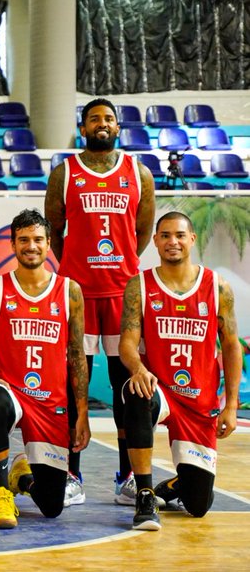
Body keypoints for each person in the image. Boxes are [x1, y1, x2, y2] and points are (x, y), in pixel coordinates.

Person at [44, 98, 155, 506]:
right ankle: (71, 473)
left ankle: (128, 475)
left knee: (127, 386)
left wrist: (122, 264)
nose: (102, 124)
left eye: (108, 118)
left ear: (117, 126)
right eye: (94, 118)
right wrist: (74, 268)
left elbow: (143, 232)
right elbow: (54, 230)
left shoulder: (137, 172)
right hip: (77, 295)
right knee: (72, 385)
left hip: (123, 295)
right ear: (83, 126)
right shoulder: (65, 173)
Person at [118, 212, 242, 531]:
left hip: (199, 401)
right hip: (161, 390)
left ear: (191, 239)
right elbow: (127, 343)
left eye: (179, 235)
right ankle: (145, 494)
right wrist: (138, 369)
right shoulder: (139, 285)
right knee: (136, 392)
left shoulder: (217, 287)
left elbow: (231, 345)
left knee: (198, 505)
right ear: (156, 241)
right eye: (166, 235)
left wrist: (229, 406)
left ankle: (173, 485)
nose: (173, 241)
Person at [0, 209, 91, 529]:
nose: (31, 246)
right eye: (23, 240)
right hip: (11, 392)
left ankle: (21, 478)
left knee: (51, 507)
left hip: (51, 401)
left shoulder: (70, 291)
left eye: (38, 239)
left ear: (49, 243)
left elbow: (77, 354)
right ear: (12, 245)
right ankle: (0, 492)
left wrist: (82, 414)